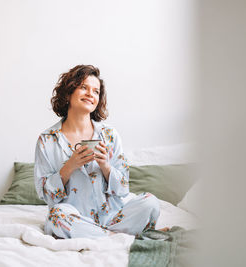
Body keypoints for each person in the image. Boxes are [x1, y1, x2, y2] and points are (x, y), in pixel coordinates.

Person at [34, 65, 165, 239]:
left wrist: (106, 166)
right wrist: (70, 166)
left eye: (96, 91)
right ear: (68, 92)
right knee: (57, 216)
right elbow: (45, 194)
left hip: (113, 217)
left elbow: (123, 188)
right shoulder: (47, 140)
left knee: (151, 202)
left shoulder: (110, 135)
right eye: (83, 87)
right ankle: (117, 237)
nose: (90, 94)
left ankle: (101, 235)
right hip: (75, 218)